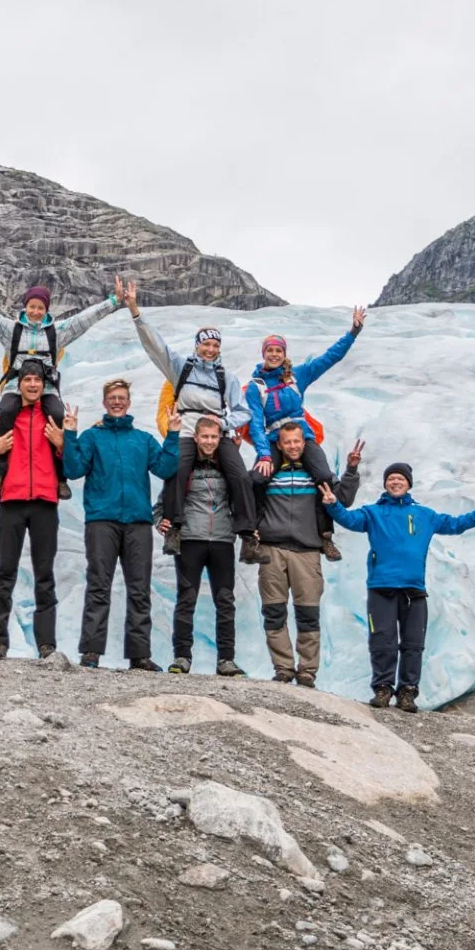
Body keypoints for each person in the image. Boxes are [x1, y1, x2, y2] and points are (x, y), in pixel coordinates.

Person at [324, 463, 475, 713]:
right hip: (381, 588)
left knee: (413, 644)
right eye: (391, 479)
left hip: (414, 590)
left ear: (409, 483)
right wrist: (333, 504)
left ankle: (408, 692)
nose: (395, 482)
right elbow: (349, 519)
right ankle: (383, 689)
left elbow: (457, 524)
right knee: (383, 641)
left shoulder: (425, 515)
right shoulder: (373, 513)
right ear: (385, 484)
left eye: (400, 478)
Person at [118, 282, 266, 565]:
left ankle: (248, 536)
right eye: (206, 344)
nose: (210, 349)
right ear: (197, 345)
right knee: (176, 469)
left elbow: (243, 410)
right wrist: (136, 312)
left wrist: (223, 423)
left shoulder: (226, 378)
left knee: (239, 474)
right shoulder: (180, 367)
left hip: (216, 432)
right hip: (187, 429)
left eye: (215, 345)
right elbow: (155, 345)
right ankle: (174, 527)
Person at [0, 262, 125, 497]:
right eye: (32, 307)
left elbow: (84, 319)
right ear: (26, 307)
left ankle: (60, 477)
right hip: (15, 385)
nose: (35, 312)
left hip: (46, 388)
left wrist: (114, 302)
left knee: (57, 416)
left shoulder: (57, 333)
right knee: (6, 411)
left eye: (40, 308)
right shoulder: (10, 330)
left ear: (46, 310)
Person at [61, 379, 181, 671]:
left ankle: (139, 655)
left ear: (128, 403)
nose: (117, 402)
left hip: (138, 523)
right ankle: (91, 652)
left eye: (122, 398)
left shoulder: (142, 439)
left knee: (139, 589)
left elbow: (165, 467)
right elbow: (73, 469)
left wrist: (174, 434)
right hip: (102, 520)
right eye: (112, 398)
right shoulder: (92, 437)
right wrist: (70, 433)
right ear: (105, 403)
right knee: (99, 586)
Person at [246, 308, 366, 560]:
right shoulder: (256, 386)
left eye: (279, 350)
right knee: (257, 480)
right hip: (274, 440)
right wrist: (265, 455)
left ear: (284, 354)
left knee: (322, 476)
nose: (275, 354)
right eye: (270, 350)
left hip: (303, 437)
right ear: (264, 354)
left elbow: (329, 358)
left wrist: (353, 332)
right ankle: (252, 535)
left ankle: (325, 537)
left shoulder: (296, 376)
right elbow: (256, 422)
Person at [0, 361, 66, 659]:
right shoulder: (3, 419)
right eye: (28, 380)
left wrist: (63, 444)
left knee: (44, 574)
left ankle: (46, 644)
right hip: (11, 502)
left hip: (44, 504)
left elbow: (74, 463)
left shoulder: (53, 418)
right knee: (5, 572)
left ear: (43, 385)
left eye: (38, 380)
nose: (33, 385)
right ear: (20, 384)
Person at [254, 424, 363, 687]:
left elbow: (344, 499)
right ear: (278, 445)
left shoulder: (317, 476)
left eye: (297, 441)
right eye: (287, 442)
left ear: (305, 443)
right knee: (274, 611)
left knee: (308, 613)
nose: (292, 446)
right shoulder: (269, 474)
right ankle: (283, 668)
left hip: (307, 551)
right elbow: (245, 496)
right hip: (272, 549)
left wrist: (351, 470)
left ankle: (306, 671)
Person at [156, 415, 247, 678]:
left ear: (220, 439)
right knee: (187, 598)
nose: (209, 441)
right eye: (204, 437)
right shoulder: (184, 470)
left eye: (213, 437)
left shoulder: (228, 471)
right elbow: (163, 505)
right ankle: (182, 657)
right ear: (196, 438)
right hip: (191, 540)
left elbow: (243, 496)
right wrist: (159, 522)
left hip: (222, 541)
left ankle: (226, 660)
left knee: (225, 600)